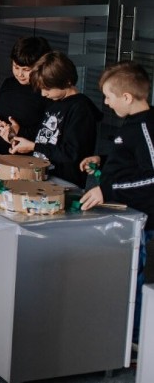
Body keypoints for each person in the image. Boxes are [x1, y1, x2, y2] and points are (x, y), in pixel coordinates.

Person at [79, 61, 154, 349]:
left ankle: (133, 343)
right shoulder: (132, 125)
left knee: (134, 280)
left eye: (109, 97)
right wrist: (103, 161)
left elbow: (150, 178)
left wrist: (106, 188)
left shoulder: (146, 127)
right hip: (124, 214)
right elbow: (131, 164)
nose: (106, 103)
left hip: (142, 221)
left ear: (127, 97)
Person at [10, 51, 101, 187]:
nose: (43, 93)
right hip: (44, 178)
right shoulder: (55, 102)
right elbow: (45, 138)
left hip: (65, 184)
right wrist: (22, 139)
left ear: (66, 81)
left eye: (47, 88)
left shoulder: (81, 108)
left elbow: (72, 153)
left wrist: (34, 146)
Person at [0, 36, 51, 154]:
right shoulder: (8, 83)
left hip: (30, 160)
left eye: (26, 69)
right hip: (0, 154)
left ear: (41, 66)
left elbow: (49, 132)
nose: (20, 74)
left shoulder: (47, 92)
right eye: (16, 67)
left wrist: (20, 131)